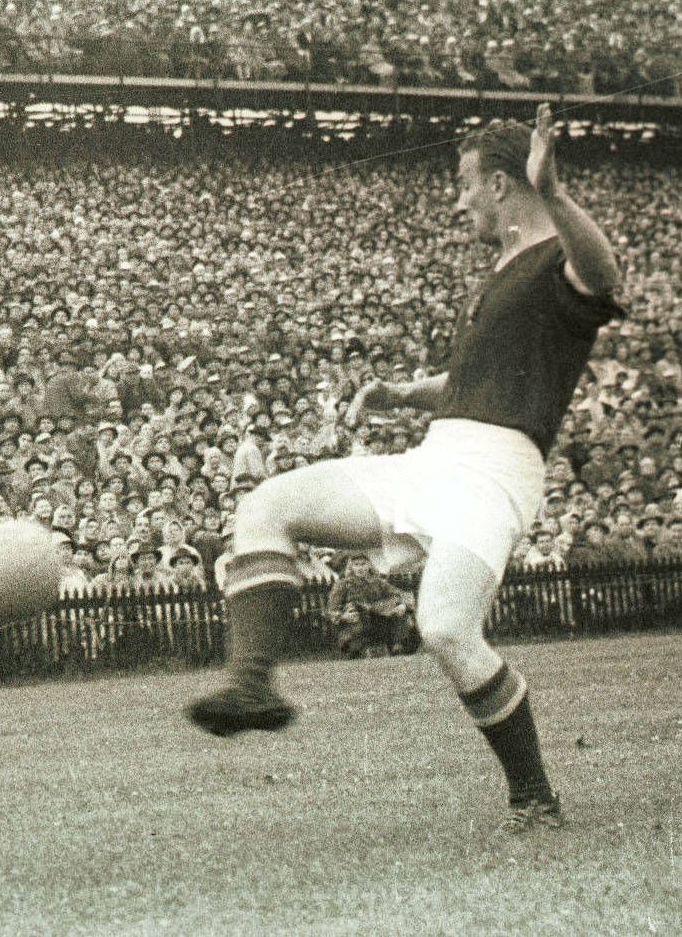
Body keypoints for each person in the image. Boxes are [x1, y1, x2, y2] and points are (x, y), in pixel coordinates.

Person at [185, 106, 624, 835]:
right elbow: (472, 381)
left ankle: (534, 797)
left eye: (464, 183)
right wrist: (401, 392)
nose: (458, 200)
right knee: (266, 505)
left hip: (497, 472)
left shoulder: (559, 259)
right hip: (438, 455)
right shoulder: (504, 270)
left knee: (446, 629)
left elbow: (603, 275)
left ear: (500, 185)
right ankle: (251, 685)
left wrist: (554, 192)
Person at [324, 552, 417, 658]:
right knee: (355, 611)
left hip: (378, 623)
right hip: (354, 628)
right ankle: (364, 649)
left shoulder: (378, 582)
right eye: (356, 565)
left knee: (396, 608)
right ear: (351, 567)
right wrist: (343, 616)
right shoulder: (343, 585)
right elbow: (330, 609)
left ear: (369, 565)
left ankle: (396, 645)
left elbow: (401, 594)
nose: (360, 568)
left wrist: (403, 605)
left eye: (363, 564)